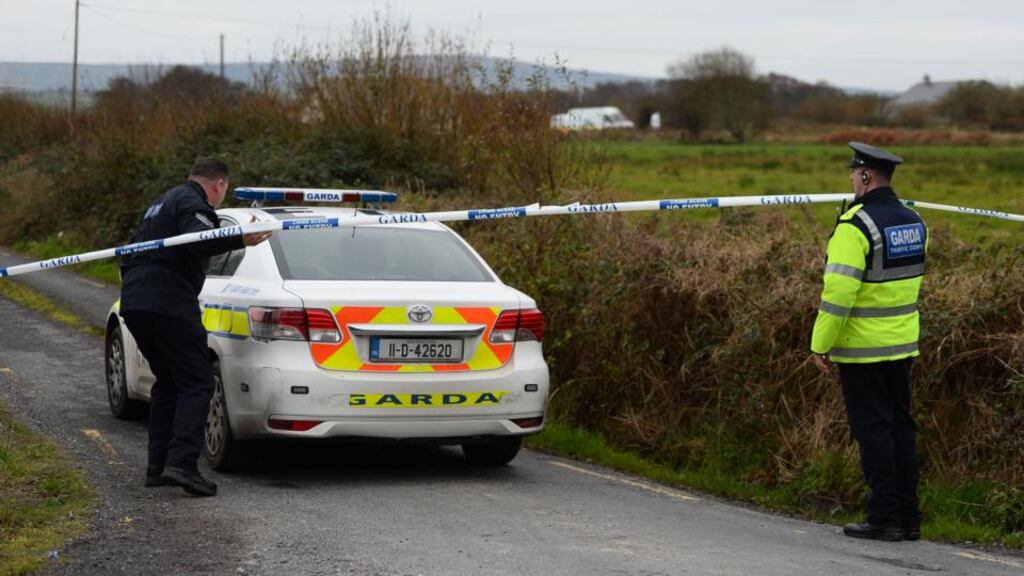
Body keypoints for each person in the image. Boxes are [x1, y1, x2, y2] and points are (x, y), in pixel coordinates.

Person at [119, 158, 270, 497]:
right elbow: (198, 238)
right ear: (218, 185)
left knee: (170, 383)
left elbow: (129, 251)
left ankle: (157, 468)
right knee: (198, 381)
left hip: (136, 302)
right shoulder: (191, 202)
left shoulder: (161, 203)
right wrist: (239, 238)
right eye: (223, 192)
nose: (219, 198)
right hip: (168, 303)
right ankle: (183, 465)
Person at [810, 142, 927, 542]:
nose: (850, 180)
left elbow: (838, 295)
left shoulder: (855, 226)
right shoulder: (914, 221)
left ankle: (883, 518)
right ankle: (909, 519)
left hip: (862, 349)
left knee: (874, 431)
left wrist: (819, 344)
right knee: (901, 428)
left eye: (853, 174)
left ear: (865, 177)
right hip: (902, 343)